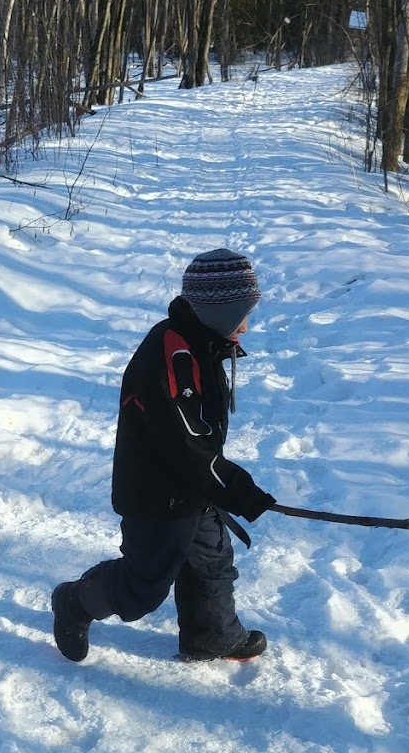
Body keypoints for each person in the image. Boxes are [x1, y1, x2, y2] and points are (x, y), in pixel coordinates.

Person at [51, 248, 276, 664]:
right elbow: (186, 442)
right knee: (143, 587)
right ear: (214, 310)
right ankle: (75, 601)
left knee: (210, 561)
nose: (244, 327)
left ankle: (212, 636)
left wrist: (218, 484)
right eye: (238, 315)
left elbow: (197, 445)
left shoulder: (202, 340)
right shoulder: (172, 356)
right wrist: (239, 490)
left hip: (193, 483)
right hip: (156, 493)